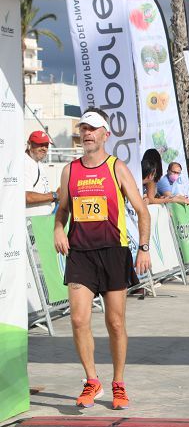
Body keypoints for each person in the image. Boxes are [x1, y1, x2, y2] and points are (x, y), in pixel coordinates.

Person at [53, 108, 151, 409]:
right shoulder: (70, 170)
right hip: (81, 252)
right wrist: (58, 228)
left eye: (93, 129)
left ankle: (118, 383)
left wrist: (143, 248)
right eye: (84, 128)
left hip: (113, 251)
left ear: (105, 134)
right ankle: (92, 381)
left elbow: (142, 210)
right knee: (79, 318)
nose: (87, 134)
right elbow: (64, 209)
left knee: (115, 322)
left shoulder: (116, 167)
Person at [24, 130, 57, 217]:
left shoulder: (37, 163)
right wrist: (55, 195)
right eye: (40, 144)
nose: (44, 148)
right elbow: (27, 197)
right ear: (29, 144)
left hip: (41, 221)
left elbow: (43, 193)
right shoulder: (24, 162)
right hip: (31, 223)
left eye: (46, 145)